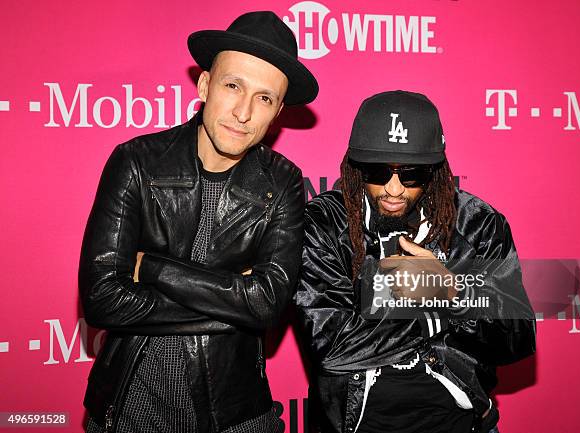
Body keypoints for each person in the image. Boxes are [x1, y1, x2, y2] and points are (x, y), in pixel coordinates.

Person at [79, 11, 318, 433]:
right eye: (233, 85)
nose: (243, 112)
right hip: (133, 409)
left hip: (237, 415)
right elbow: (102, 298)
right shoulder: (136, 161)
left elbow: (268, 305)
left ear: (278, 110)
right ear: (205, 85)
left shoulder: (282, 182)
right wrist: (235, 297)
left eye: (264, 98)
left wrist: (152, 268)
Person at [295, 91, 536, 433]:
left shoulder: (477, 223)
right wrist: (436, 314)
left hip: (458, 423)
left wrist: (453, 291)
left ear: (434, 172)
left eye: (411, 175)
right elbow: (332, 346)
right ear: (356, 167)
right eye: (378, 172)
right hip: (355, 425)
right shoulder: (326, 224)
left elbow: (517, 335)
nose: (393, 190)